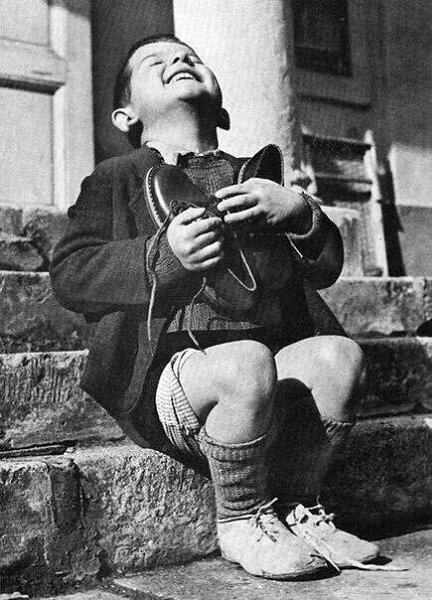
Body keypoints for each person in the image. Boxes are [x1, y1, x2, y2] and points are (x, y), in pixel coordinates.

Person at [50, 34, 379, 581]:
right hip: (175, 379)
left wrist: (300, 212)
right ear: (126, 116)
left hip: (267, 376)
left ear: (222, 107)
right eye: (156, 63)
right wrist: (162, 256)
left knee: (339, 357)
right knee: (246, 361)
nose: (179, 61)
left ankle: (299, 506)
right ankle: (243, 517)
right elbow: (70, 273)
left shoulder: (258, 176)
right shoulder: (116, 177)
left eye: (191, 58)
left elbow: (323, 269)